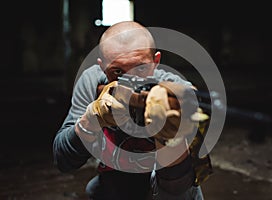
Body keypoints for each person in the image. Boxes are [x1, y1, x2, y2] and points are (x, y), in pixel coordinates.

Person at [53, 20, 211, 200]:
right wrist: (91, 119)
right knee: (97, 189)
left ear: (156, 61)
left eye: (141, 68)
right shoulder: (92, 81)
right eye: (117, 72)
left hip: (163, 182)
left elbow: (178, 187)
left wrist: (169, 136)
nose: (130, 79)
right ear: (102, 66)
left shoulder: (174, 89)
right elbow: (63, 159)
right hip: (118, 176)